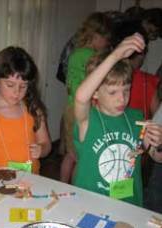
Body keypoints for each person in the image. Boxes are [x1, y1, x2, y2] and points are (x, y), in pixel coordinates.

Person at [73, 33, 162, 207]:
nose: (122, 99)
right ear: (96, 92)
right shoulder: (88, 119)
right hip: (90, 202)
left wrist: (158, 144)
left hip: (128, 202)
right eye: (113, 92)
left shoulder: (137, 118)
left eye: (126, 90)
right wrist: (116, 55)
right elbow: (81, 97)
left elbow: (156, 157)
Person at [0, 46, 51, 188]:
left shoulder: (34, 111)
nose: (17, 92)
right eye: (10, 85)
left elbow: (46, 144)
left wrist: (41, 149)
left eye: (23, 86)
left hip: (31, 181)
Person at [60, 12, 111, 183]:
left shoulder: (75, 54)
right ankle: (77, 189)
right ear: (96, 36)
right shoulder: (92, 57)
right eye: (106, 39)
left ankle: (61, 183)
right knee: (81, 156)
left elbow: (69, 84)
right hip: (82, 110)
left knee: (70, 153)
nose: (106, 44)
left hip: (69, 108)